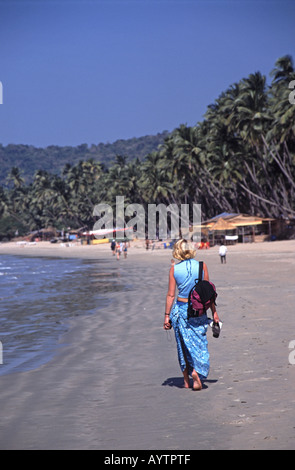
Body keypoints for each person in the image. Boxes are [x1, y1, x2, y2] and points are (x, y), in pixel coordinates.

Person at [163, 239, 220, 391]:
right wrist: (214, 313)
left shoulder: (174, 269)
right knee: (199, 344)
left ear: (177, 251)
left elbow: (170, 295)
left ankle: (186, 381)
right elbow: (208, 293)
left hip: (180, 310)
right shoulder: (202, 266)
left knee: (183, 346)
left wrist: (166, 316)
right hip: (198, 310)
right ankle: (197, 372)